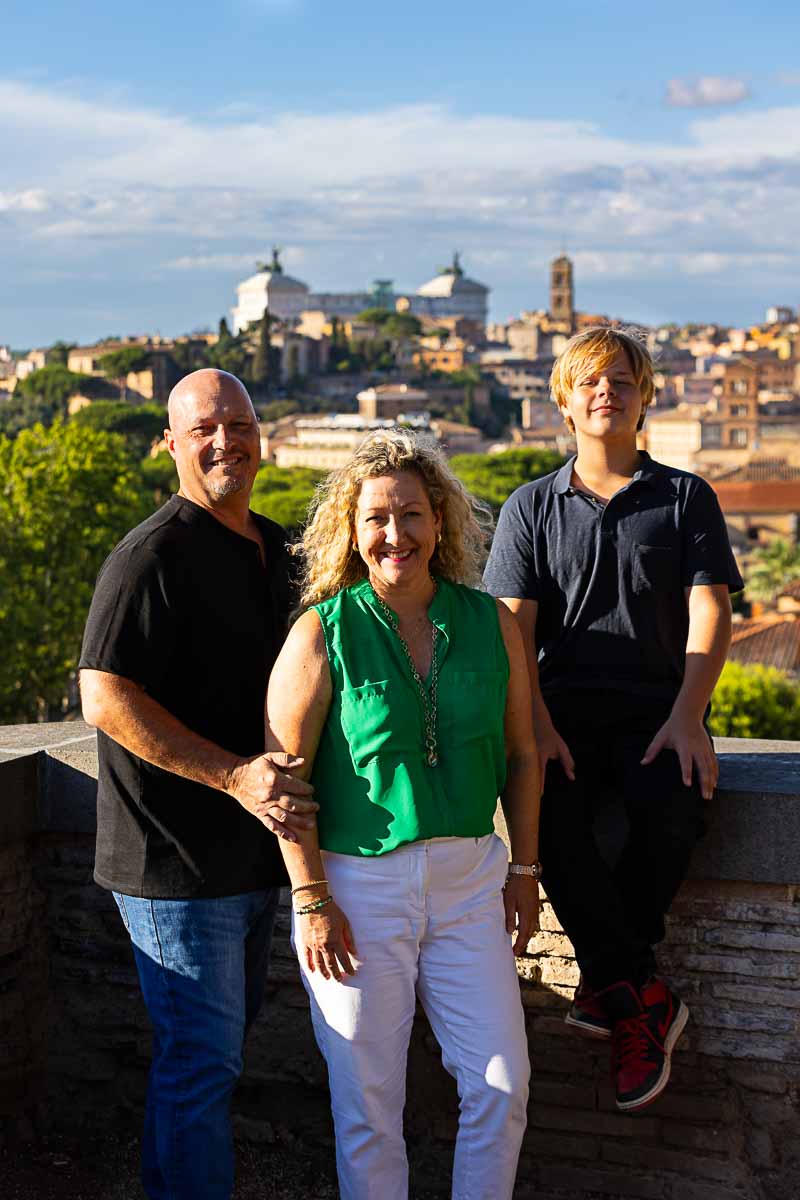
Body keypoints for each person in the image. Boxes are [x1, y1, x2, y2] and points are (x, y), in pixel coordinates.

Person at [265, 429, 540, 1200]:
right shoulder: (321, 633)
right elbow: (284, 784)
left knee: (501, 1084)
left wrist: (525, 869)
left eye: (412, 515)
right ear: (351, 533)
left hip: (468, 889)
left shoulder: (492, 623)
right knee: (369, 1106)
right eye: (378, 518)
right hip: (354, 892)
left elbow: (523, 756)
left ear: (441, 521)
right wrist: (311, 897)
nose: (397, 535)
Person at [484, 326, 743, 1113]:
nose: (607, 392)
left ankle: (612, 986)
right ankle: (641, 996)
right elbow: (510, 630)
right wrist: (533, 726)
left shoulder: (684, 496)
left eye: (622, 381)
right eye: (590, 381)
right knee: (551, 821)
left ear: (644, 397)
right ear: (563, 399)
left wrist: (691, 718)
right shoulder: (530, 506)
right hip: (558, 715)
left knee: (674, 806)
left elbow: (712, 604)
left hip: (659, 711)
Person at [78, 369, 318, 1200]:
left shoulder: (278, 548)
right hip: (174, 864)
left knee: (204, 1059)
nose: (227, 443)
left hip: (251, 859)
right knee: (204, 1062)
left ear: (262, 436)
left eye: (240, 425)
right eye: (206, 429)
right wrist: (233, 777)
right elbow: (102, 695)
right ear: (172, 444)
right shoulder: (151, 555)